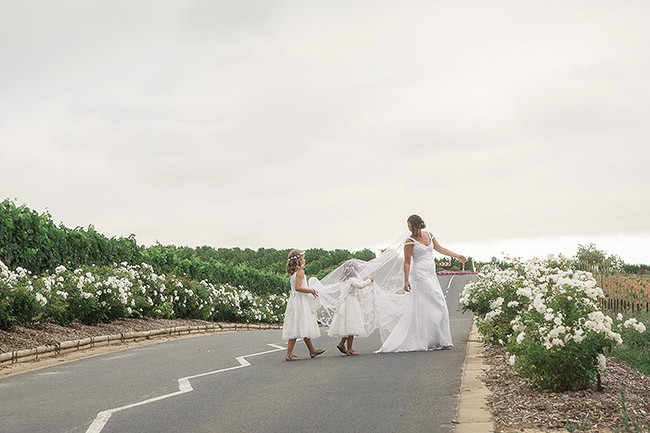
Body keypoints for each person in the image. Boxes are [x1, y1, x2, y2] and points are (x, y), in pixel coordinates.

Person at [375, 214, 467, 353]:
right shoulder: (409, 241)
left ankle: (438, 339)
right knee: (435, 304)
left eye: (411, 226)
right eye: (408, 227)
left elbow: (440, 249)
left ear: (418, 224)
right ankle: (430, 339)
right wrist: (406, 280)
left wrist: (456, 255)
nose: (410, 229)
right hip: (419, 275)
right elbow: (407, 262)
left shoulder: (429, 235)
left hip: (431, 274)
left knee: (438, 306)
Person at [281, 249, 325, 361]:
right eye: (304, 258)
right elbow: (298, 288)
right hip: (300, 302)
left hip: (296, 301)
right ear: (299, 260)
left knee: (302, 325)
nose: (305, 260)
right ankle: (289, 354)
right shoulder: (300, 272)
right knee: (297, 325)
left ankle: (312, 351)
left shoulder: (294, 273)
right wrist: (311, 290)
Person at [326, 260, 375, 356]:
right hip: (351, 302)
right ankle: (349, 349)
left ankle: (342, 343)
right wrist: (370, 280)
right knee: (352, 325)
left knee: (348, 325)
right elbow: (360, 286)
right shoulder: (352, 280)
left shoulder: (344, 280)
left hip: (345, 303)